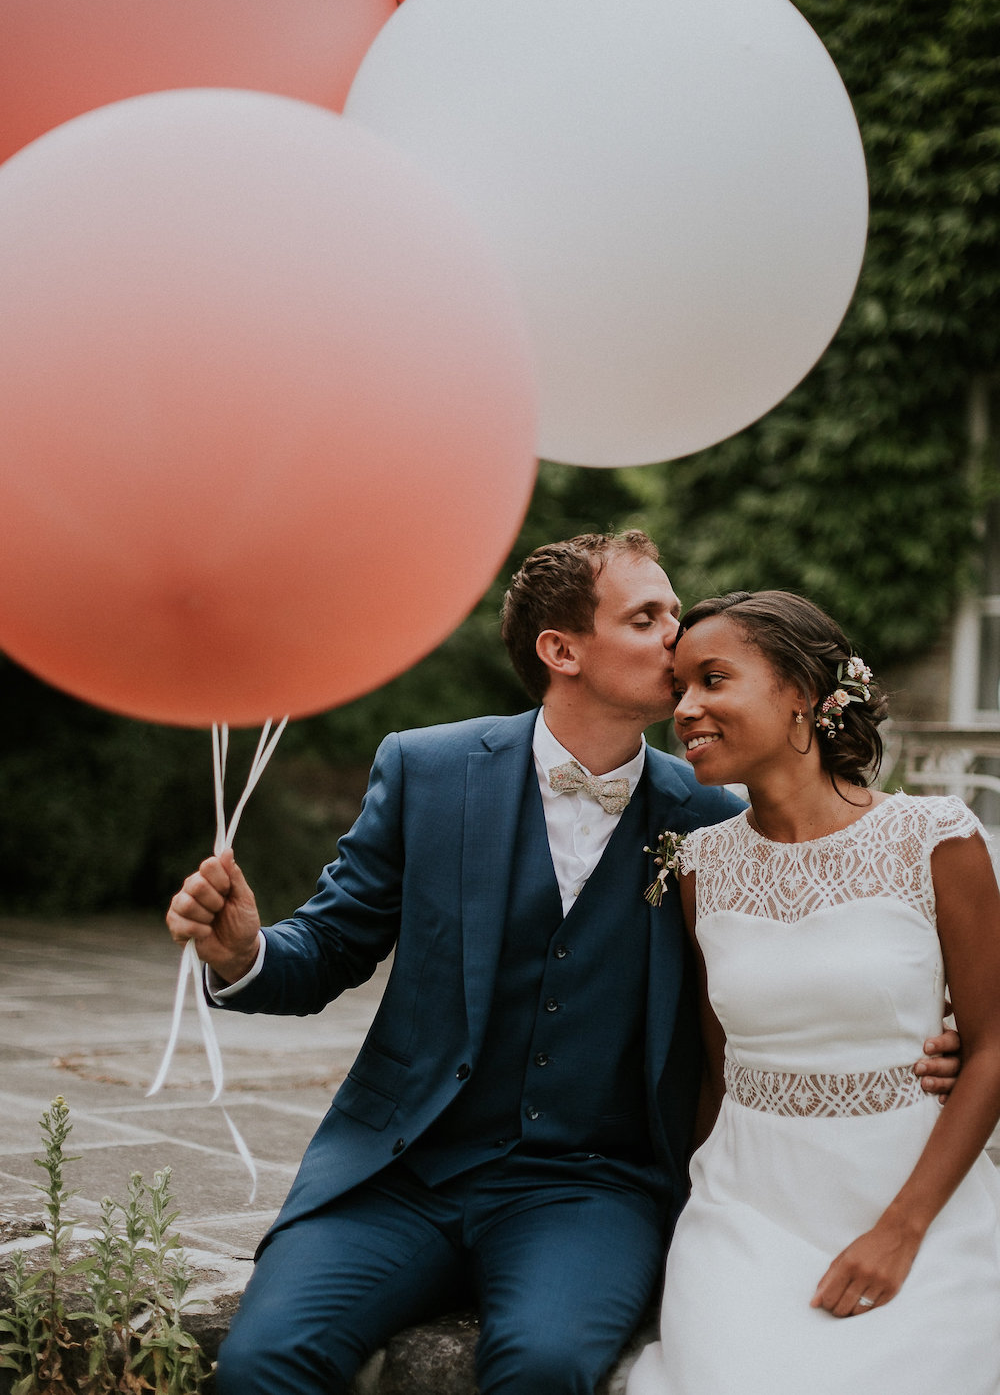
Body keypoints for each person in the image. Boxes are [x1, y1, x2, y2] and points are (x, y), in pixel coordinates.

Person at [166, 536, 960, 1395]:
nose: (676, 634)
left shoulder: (708, 813)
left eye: (673, 611)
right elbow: (328, 947)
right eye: (647, 617)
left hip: (589, 1188)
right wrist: (246, 952)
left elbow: (812, 949)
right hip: (401, 1173)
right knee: (260, 1363)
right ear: (562, 650)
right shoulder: (426, 769)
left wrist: (929, 1025)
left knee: (546, 1370)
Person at [627, 589, 1000, 1395]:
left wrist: (902, 1231)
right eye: (679, 690)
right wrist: (690, 1212)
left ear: (800, 693)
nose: (685, 709)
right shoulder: (697, 865)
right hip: (746, 1205)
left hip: (913, 1193)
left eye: (713, 680)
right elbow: (720, 1065)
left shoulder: (934, 838)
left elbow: (994, 1045)